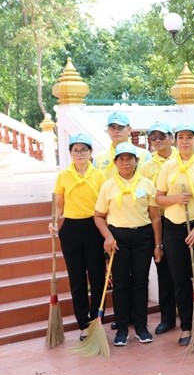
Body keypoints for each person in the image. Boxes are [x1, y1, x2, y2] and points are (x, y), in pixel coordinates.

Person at [94, 142, 162, 346]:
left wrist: (158, 245)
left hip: (142, 237)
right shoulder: (108, 186)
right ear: (115, 162)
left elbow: (155, 218)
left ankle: (141, 328)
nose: (126, 162)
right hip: (118, 239)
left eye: (129, 158)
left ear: (136, 161)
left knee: (140, 283)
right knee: (121, 284)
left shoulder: (147, 184)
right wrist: (107, 236)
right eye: (121, 159)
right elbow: (98, 216)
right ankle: (122, 329)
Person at [156, 123, 194, 347]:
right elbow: (158, 198)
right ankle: (188, 326)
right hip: (173, 228)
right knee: (180, 279)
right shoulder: (168, 166)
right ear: (175, 140)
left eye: (189, 137)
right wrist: (174, 199)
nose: (185, 141)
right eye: (181, 137)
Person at [50, 134, 107, 341]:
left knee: (97, 276)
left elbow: (105, 205)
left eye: (84, 150)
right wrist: (55, 222)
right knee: (77, 278)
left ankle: (96, 319)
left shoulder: (99, 175)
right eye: (76, 150)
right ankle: (83, 322)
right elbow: (59, 204)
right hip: (71, 229)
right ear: (70, 153)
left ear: (91, 153)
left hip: (94, 227)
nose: (80, 154)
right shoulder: (63, 176)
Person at [141, 121, 177, 337]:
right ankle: (167, 317)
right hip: (158, 220)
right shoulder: (147, 166)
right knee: (163, 270)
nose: (157, 141)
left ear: (171, 137)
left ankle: (190, 313)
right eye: (153, 138)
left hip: (182, 219)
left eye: (161, 136)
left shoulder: (181, 158)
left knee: (185, 270)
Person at [94, 112, 151, 179]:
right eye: (113, 128)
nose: (116, 131)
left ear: (129, 130)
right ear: (108, 131)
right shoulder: (98, 158)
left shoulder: (144, 155)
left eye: (120, 127)